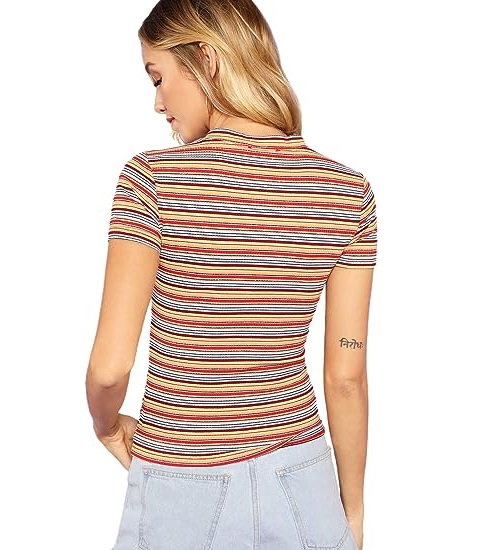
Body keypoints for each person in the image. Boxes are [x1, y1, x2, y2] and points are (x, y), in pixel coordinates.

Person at [85, 1, 377, 549]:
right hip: (304, 479)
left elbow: (109, 368)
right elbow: (347, 373)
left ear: (206, 59)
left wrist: (106, 424)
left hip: (182, 477)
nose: (157, 103)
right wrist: (353, 510)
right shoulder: (346, 192)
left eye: (158, 77)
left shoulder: (152, 180)